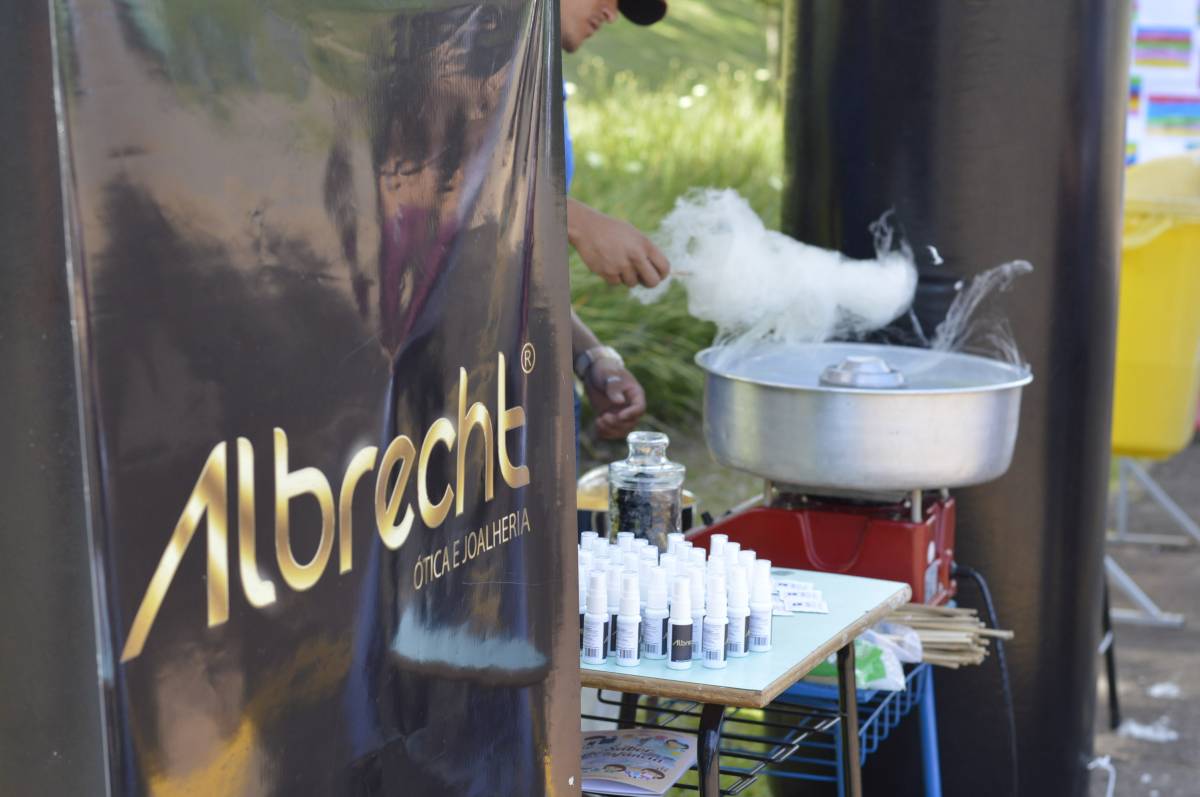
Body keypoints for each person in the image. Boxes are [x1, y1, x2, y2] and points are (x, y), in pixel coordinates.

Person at [562, 0, 671, 442]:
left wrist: (591, 358)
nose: (612, 14)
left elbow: (510, 266)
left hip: (516, 405)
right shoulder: (457, 47)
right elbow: (420, 188)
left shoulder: (540, 84)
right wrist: (576, 222)